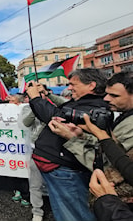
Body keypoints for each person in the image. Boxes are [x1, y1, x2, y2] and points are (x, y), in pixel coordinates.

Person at [26, 68, 110, 221]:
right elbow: (59, 111)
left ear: (91, 85)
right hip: (61, 168)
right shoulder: (81, 102)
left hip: (66, 171)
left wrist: (36, 99)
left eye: (73, 84)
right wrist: (44, 96)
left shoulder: (95, 107)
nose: (69, 88)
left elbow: (57, 118)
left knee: (73, 215)